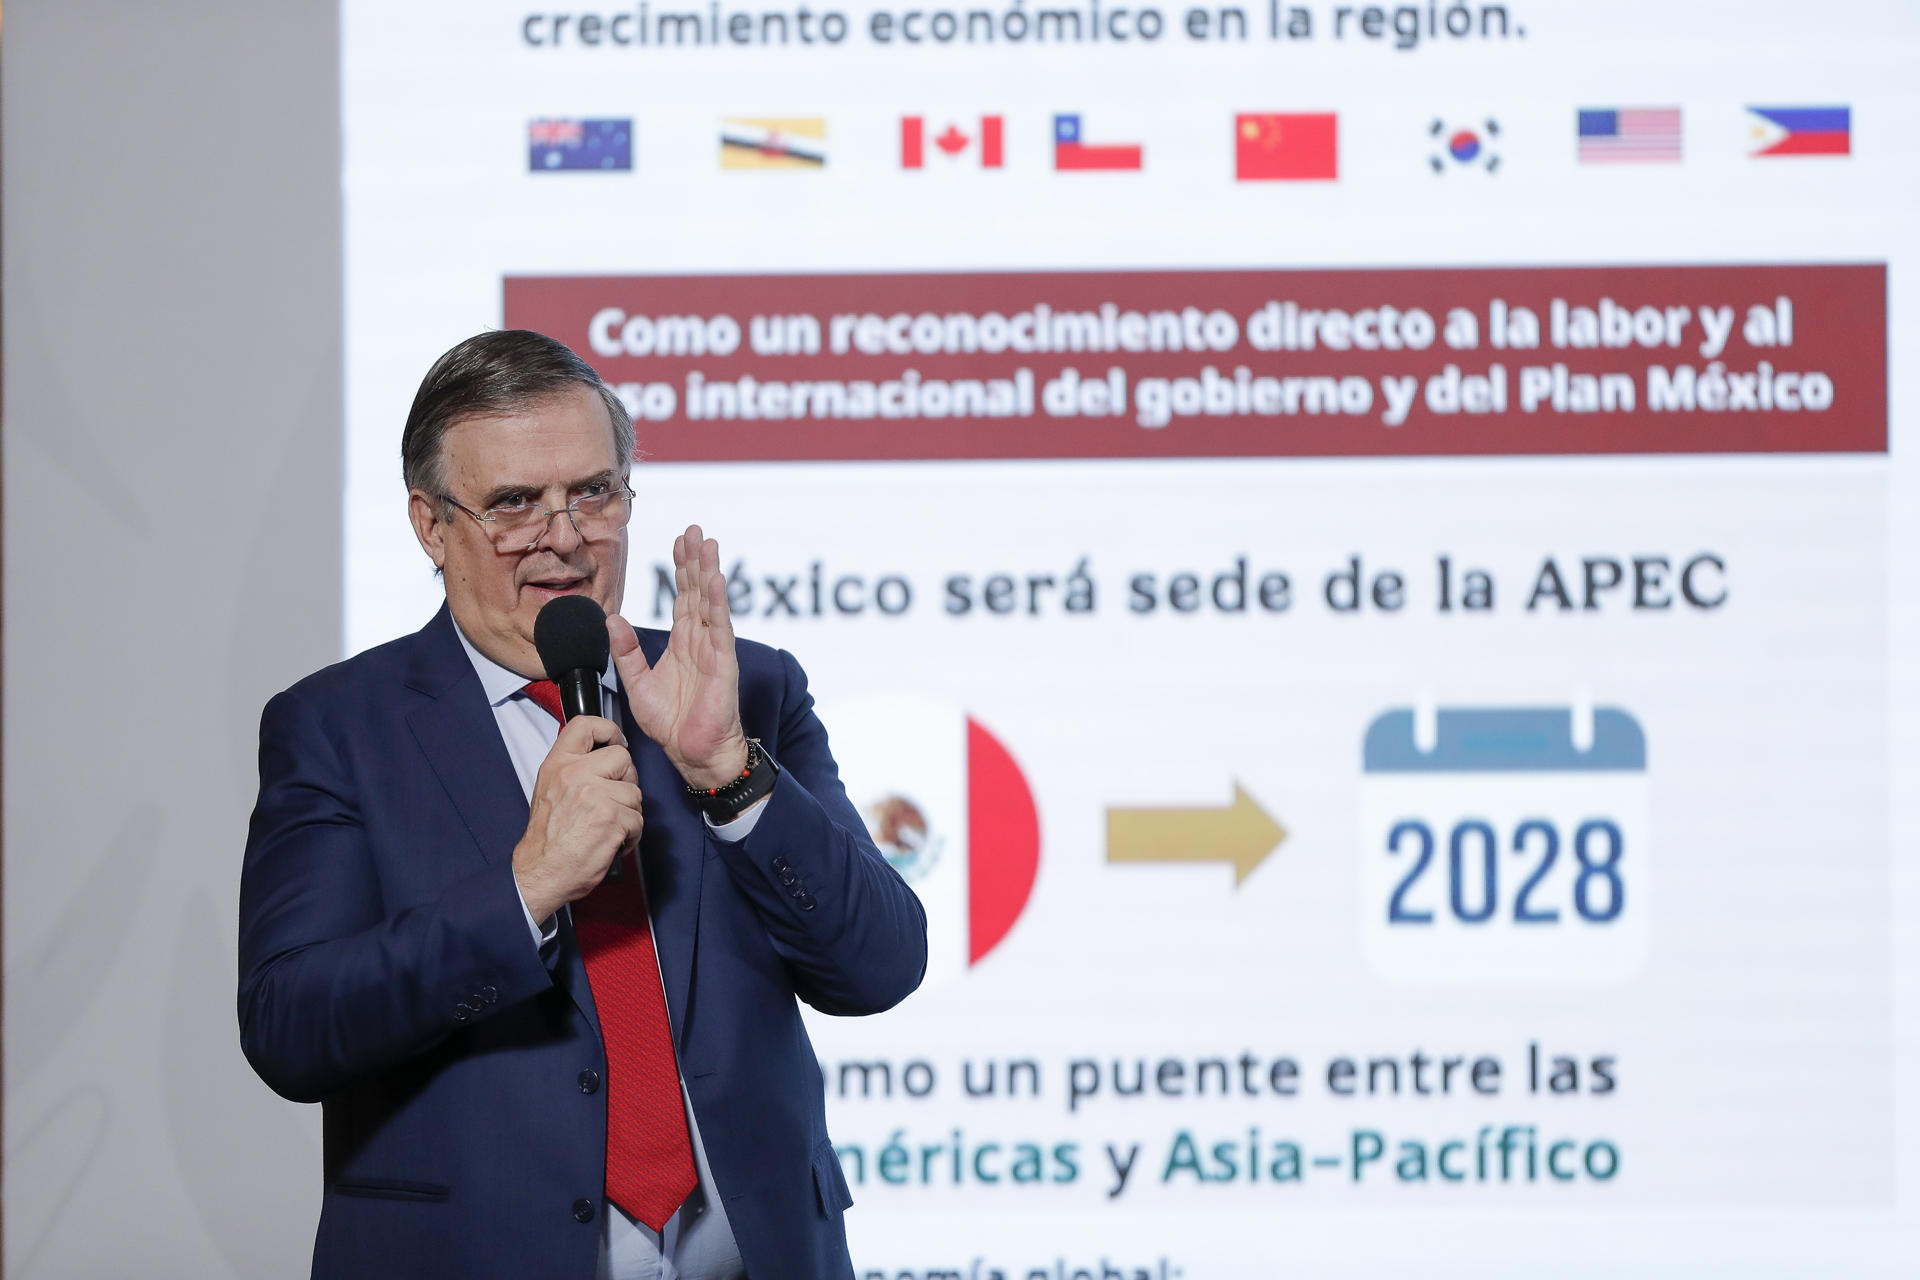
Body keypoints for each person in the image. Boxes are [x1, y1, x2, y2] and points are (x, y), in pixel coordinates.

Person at [238, 329, 928, 1280]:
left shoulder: (744, 691)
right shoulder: (339, 727)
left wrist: (728, 773)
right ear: (431, 525)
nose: (563, 537)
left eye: (594, 493)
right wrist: (525, 889)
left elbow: (881, 967)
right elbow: (290, 1027)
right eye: (514, 503)